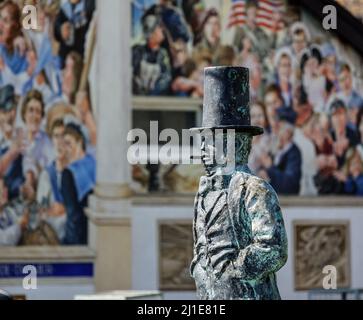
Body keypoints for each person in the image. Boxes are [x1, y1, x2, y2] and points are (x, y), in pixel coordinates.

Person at [190, 66, 287, 300]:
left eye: (211, 141)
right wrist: (199, 270)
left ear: (232, 145)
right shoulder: (204, 193)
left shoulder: (252, 189)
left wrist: (235, 269)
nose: (203, 149)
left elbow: (273, 248)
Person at [61, 122, 95, 245]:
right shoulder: (94, 162)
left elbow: (73, 217)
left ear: (80, 142)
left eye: (68, 143)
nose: (66, 149)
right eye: (64, 145)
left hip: (79, 239)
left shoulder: (68, 173)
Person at [37, 119, 67, 241]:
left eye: (63, 136)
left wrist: (63, 208)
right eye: (56, 136)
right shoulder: (47, 174)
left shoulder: (76, 171)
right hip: (53, 234)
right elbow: (42, 209)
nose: (60, 142)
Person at [132, 14, 172, 95]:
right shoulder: (137, 51)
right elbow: (130, 74)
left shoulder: (163, 54)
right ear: (151, 34)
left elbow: (166, 77)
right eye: (158, 28)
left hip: (156, 100)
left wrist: (154, 93)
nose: (161, 30)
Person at [260, 120, 302, 195]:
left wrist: (270, 167)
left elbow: (289, 184)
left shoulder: (293, 153)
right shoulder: (275, 149)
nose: (276, 132)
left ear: (288, 133)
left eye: (279, 128)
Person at [54, 0, 95, 68]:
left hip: (81, 58)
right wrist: (60, 30)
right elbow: (57, 28)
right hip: (65, 59)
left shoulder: (88, 5)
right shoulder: (64, 8)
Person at [0, 85, 24, 200]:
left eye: (13, 110)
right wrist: (11, 154)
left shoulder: (22, 134)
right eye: (5, 111)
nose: (10, 115)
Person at [0, 178, 29, 246]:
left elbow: (23, 219)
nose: (4, 192)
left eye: (4, 187)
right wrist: (19, 226)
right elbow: (4, 242)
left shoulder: (9, 212)